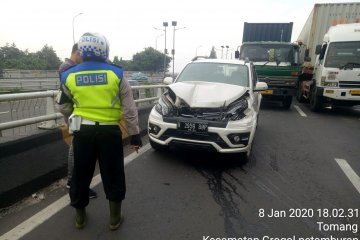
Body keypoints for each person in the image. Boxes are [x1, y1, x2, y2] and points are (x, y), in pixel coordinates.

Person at [59, 32, 142, 230]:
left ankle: (80, 218)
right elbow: (129, 109)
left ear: (82, 50)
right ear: (104, 50)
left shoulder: (68, 74)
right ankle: (114, 218)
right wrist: (135, 134)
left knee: (81, 174)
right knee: (113, 174)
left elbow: (63, 107)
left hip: (82, 132)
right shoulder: (117, 74)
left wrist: (76, 115)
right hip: (109, 133)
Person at [59, 43, 97, 199]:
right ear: (77, 52)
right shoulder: (67, 67)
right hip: (75, 114)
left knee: (76, 147)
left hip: (77, 113)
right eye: (83, 54)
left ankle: (74, 181)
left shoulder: (70, 66)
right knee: (75, 149)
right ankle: (73, 181)